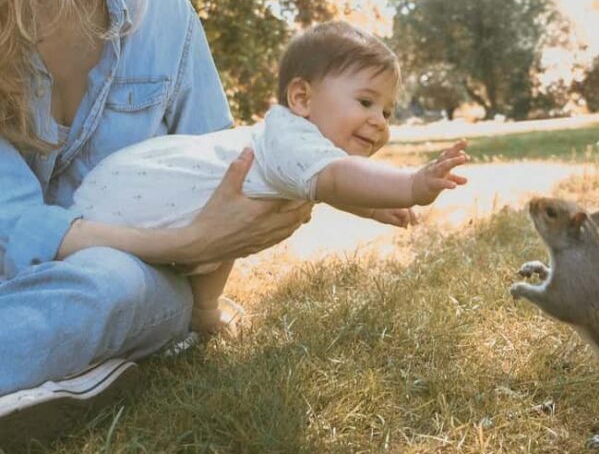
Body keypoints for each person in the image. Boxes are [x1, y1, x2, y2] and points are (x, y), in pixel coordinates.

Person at [0, 0, 312, 449]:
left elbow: (220, 175)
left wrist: (207, 296)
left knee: (110, 284)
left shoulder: (162, 14)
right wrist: (189, 244)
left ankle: (55, 361)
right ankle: (71, 370)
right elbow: (13, 221)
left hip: (133, 279)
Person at [72, 21, 470, 334]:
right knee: (210, 238)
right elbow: (334, 179)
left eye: (388, 112)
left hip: (156, 214)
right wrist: (411, 186)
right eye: (366, 101)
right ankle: (199, 310)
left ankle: (203, 311)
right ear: (302, 99)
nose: (378, 121)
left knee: (231, 227)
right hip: (117, 214)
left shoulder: (294, 149)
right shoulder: (291, 138)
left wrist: (373, 209)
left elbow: (329, 185)